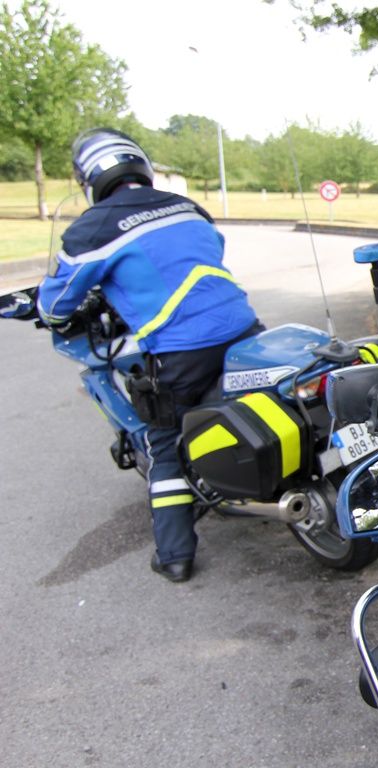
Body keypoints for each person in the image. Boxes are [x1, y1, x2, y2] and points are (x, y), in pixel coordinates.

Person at [38, 128, 259, 584]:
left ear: (91, 178)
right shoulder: (187, 207)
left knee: (163, 445)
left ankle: (175, 555)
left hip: (182, 353)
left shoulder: (94, 226)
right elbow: (207, 252)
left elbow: (55, 304)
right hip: (245, 330)